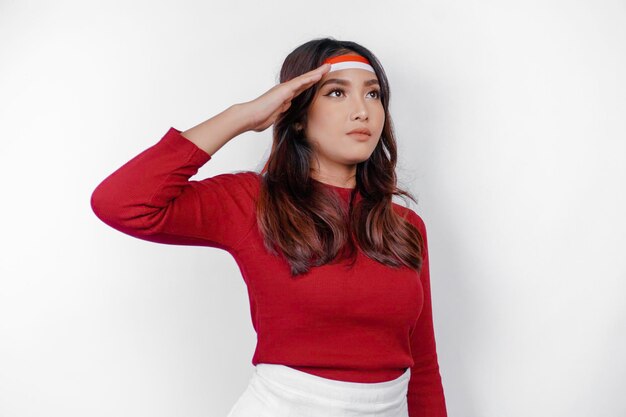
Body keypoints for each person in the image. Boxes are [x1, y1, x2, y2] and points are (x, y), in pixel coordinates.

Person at [91, 37, 448, 417]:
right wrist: (243, 116)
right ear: (295, 114)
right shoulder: (252, 203)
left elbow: (422, 366)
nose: (362, 111)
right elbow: (120, 203)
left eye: (373, 94)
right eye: (336, 93)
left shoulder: (404, 226)